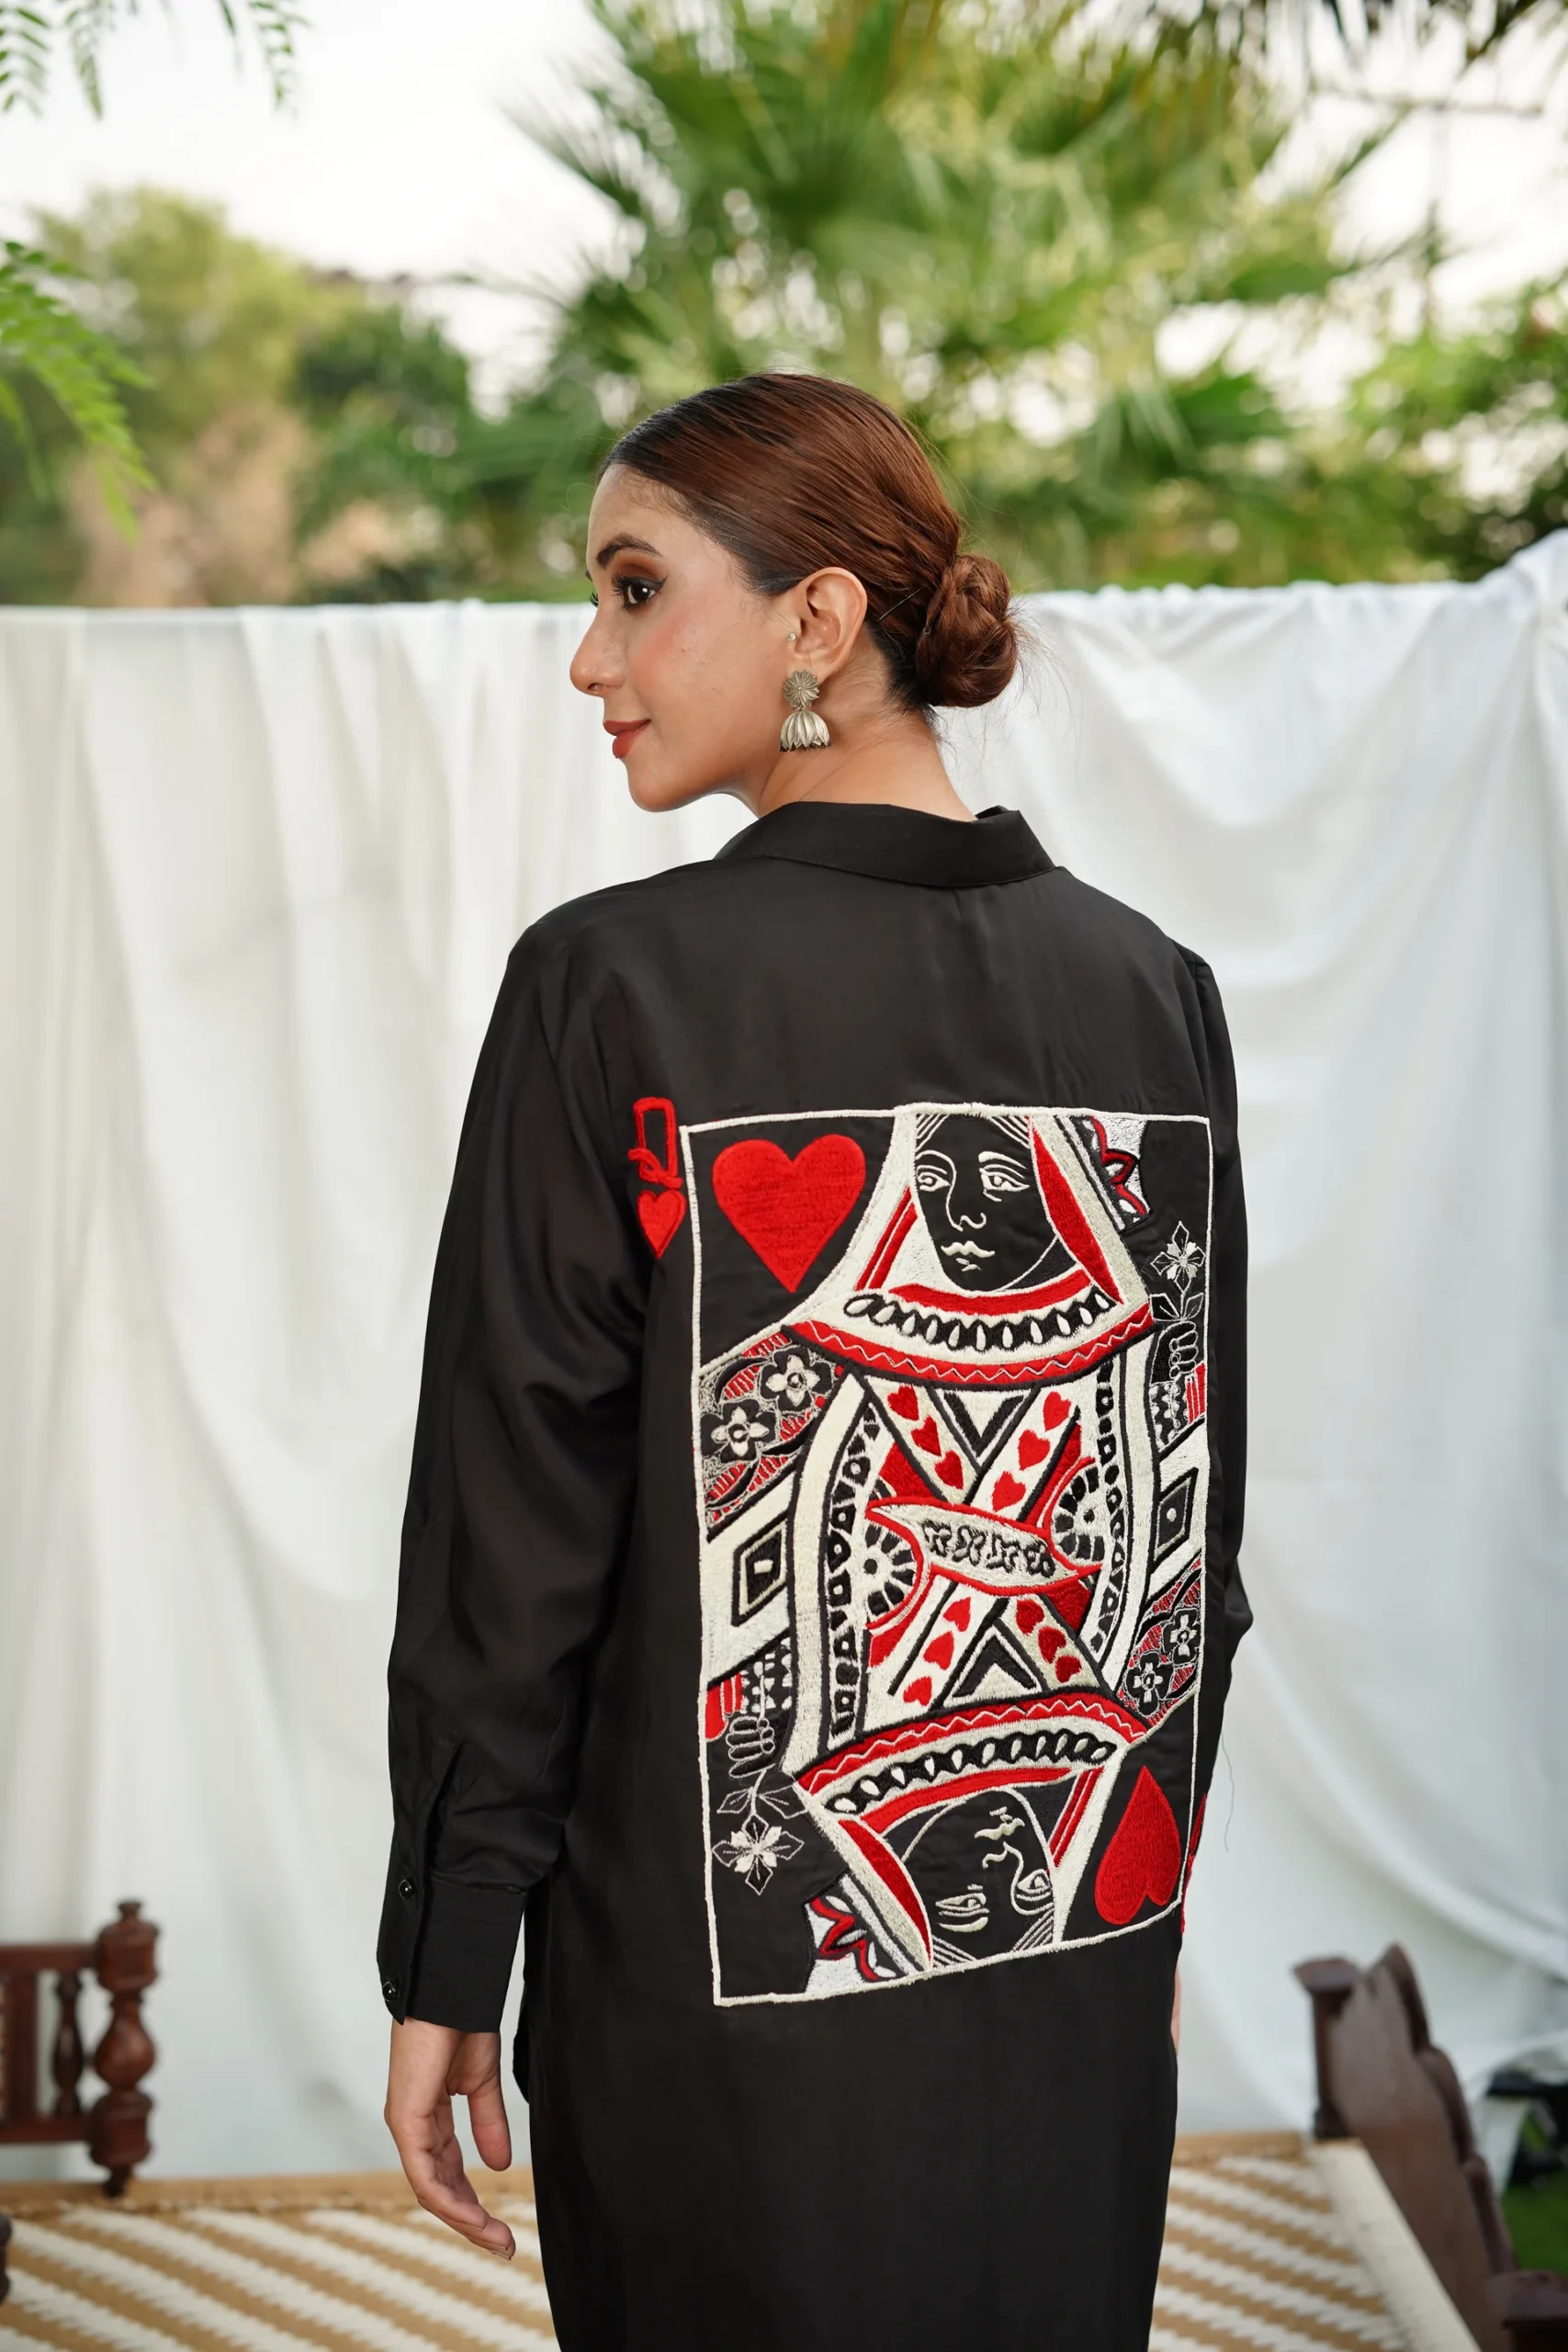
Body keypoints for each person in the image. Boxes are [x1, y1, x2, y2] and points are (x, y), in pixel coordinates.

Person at [378, 372, 1250, 2351]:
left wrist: (447, 1954)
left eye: (633, 589)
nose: (589, 659)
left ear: (819, 620)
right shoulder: (1151, 991)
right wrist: (1142, 1889)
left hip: (720, 2019)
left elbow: (514, 1544)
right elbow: (1185, 1546)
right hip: (1070, 1943)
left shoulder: (613, 986)